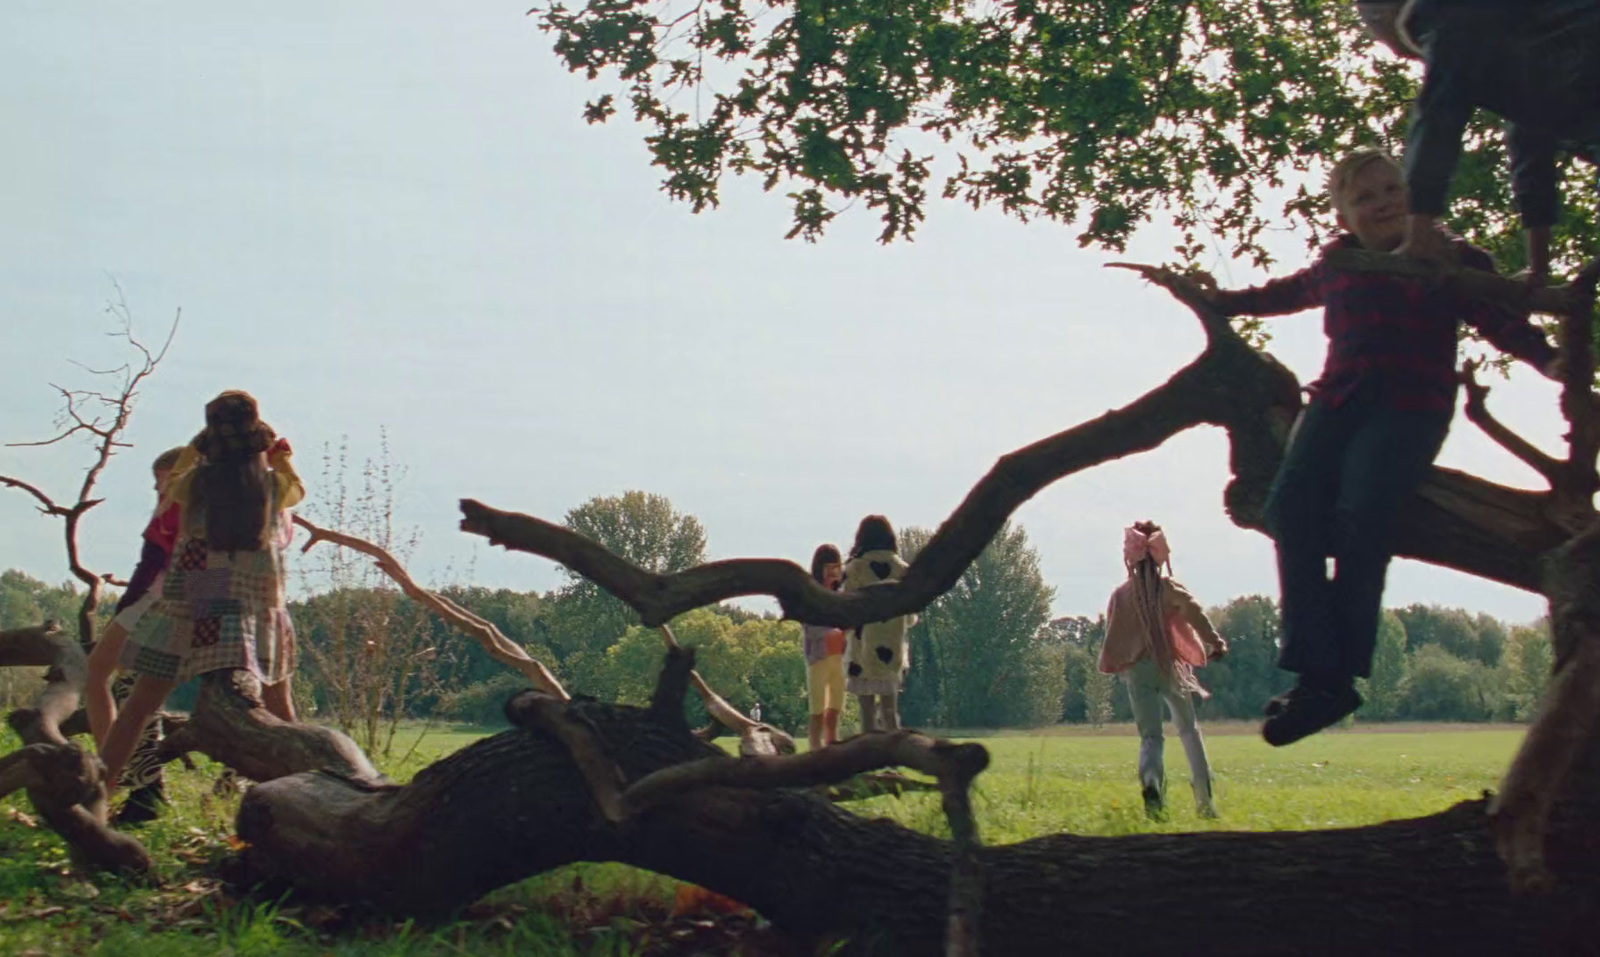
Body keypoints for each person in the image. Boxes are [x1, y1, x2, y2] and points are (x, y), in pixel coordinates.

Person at [1128, 149, 1559, 746]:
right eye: (1366, 198)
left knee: (1361, 519)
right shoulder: (1340, 264)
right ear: (1345, 215)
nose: (1384, 203)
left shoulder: (1452, 260)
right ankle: (1317, 672)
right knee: (1288, 510)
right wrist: (1220, 301)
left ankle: (1330, 680)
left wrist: (1557, 364)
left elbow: (1504, 323)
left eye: (1393, 190)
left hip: (1408, 409)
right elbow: (1287, 293)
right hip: (1337, 404)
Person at [97, 391, 305, 791]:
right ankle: (304, 792)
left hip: (197, 598)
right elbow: (298, 488)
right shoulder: (274, 489)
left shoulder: (195, 484)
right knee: (281, 710)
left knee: (140, 704)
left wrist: (194, 449)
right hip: (258, 604)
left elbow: (172, 487)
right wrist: (281, 458)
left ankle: (99, 796)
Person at [1353, 0, 1600, 280]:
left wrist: (1419, 233)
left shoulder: (1440, 14)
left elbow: (1440, 116)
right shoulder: (1524, 42)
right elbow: (1530, 148)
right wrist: (1540, 268)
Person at [84, 446, 186, 823]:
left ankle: (122, 782)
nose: (159, 492)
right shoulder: (200, 510)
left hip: (156, 604)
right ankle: (131, 782)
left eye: (164, 483)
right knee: (130, 691)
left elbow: (150, 565)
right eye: (156, 486)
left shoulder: (177, 511)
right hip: (167, 603)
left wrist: (123, 609)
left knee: (114, 683)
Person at [1099, 522, 1227, 820]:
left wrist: (1118, 664)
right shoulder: (1169, 588)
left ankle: (1152, 780)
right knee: (1188, 730)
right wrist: (1215, 643)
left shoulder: (1121, 595)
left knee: (1151, 737)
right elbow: (1196, 615)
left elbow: (1113, 634)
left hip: (1138, 672)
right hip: (1170, 667)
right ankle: (1205, 802)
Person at [841, 515, 915, 733]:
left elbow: (847, 608)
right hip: (892, 649)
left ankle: (868, 757)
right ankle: (894, 757)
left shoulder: (855, 569)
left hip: (861, 647)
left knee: (866, 713)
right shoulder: (902, 570)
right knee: (890, 711)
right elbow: (910, 615)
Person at [799, 544, 848, 749]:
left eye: (837, 567)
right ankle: (814, 750)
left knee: (835, 708)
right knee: (817, 711)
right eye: (829, 568)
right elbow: (809, 628)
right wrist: (832, 633)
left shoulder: (841, 595)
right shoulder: (811, 595)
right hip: (819, 658)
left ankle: (831, 746)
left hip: (839, 659)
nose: (834, 572)